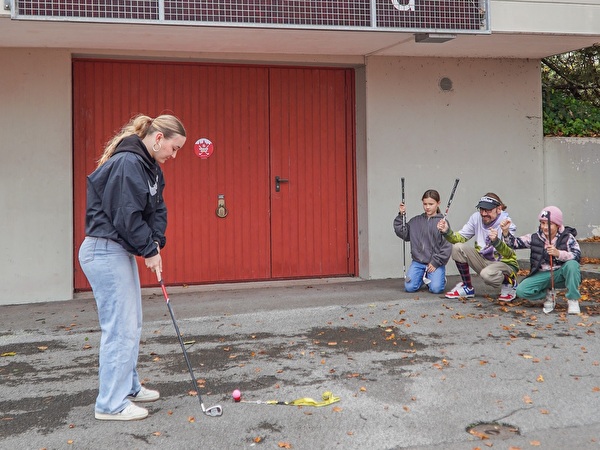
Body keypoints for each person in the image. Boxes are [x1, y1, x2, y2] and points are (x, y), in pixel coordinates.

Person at [78, 114, 187, 421]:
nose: (174, 155)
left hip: (117, 251)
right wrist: (148, 249)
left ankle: (127, 387)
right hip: (103, 251)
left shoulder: (150, 168)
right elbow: (125, 214)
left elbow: (157, 209)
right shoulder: (128, 163)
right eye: (174, 148)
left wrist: (156, 241)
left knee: (132, 323)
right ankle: (110, 404)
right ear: (158, 138)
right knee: (120, 328)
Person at [437, 193, 519, 301]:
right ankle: (467, 287)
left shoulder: (507, 223)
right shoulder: (476, 218)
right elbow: (460, 238)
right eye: (481, 209)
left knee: (487, 275)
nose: (484, 214)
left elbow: (509, 253)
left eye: (488, 210)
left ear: (499, 209)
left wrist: (496, 241)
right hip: (483, 260)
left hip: (505, 263)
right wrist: (446, 231)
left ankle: (510, 283)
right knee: (457, 248)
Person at [501, 206, 581, 314]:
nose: (545, 227)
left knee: (572, 265)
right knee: (521, 291)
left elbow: (577, 256)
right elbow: (513, 243)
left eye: (549, 224)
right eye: (542, 223)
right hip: (541, 274)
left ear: (557, 225)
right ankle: (547, 294)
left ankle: (573, 299)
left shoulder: (567, 237)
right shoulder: (534, 237)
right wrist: (506, 232)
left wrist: (559, 253)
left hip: (560, 273)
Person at [394, 189, 452, 294]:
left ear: (438, 203)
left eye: (431, 204)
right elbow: (403, 233)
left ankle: (438, 279)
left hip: (435, 263)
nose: (427, 207)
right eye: (425, 204)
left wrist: (436, 262)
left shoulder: (442, 223)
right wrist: (401, 215)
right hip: (418, 262)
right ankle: (422, 278)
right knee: (409, 287)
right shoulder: (415, 221)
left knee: (436, 289)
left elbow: (447, 246)